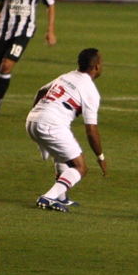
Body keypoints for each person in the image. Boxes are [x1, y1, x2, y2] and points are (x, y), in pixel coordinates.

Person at [26, 48, 107, 213]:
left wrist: (37, 118)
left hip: (32, 119)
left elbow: (41, 91)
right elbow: (91, 131)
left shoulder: (67, 76)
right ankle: (48, 197)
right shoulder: (90, 91)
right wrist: (100, 157)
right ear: (97, 66)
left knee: (63, 155)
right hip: (51, 123)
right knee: (80, 167)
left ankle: (62, 197)